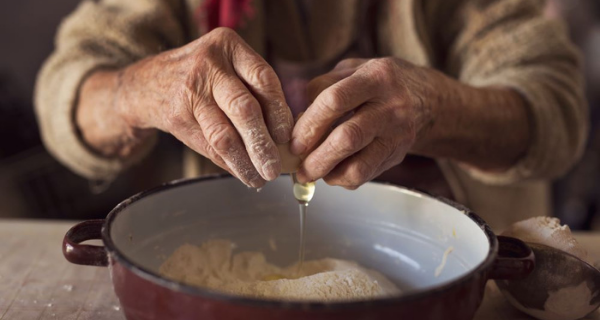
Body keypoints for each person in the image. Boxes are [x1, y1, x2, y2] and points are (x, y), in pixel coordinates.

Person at [35, 0, 587, 231]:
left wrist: (432, 107)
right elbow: (68, 84)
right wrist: (136, 90)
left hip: (447, 258)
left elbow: (557, 107)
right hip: (237, 250)